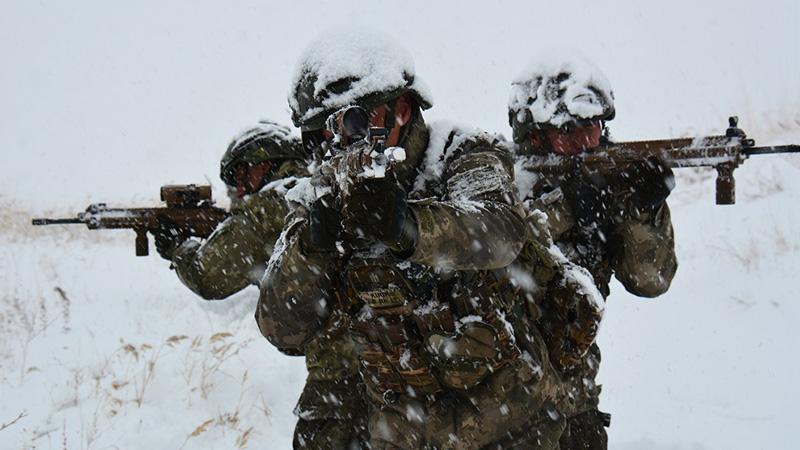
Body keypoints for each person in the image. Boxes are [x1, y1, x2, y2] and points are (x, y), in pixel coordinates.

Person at [258, 28, 563, 449]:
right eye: (320, 134)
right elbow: (282, 328)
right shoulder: (319, 196)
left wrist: (409, 228)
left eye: (353, 122)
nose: (337, 142)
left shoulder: (458, 152)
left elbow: (501, 232)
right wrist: (311, 250)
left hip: (509, 422)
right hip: (403, 429)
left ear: (402, 110)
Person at [507, 55, 679, 449]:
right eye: (569, 130)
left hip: (576, 401)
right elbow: (501, 252)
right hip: (506, 410)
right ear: (535, 135)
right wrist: (567, 207)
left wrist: (643, 210)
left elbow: (650, 281)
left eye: (593, 127)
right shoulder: (504, 179)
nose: (586, 142)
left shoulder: (608, 185)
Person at [153, 120, 309, 299]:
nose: (241, 190)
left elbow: (205, 278)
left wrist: (177, 247)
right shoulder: (311, 186)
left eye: (242, 176)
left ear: (263, 164)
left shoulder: (263, 211)